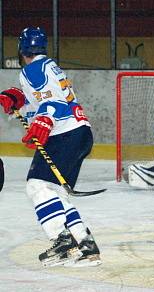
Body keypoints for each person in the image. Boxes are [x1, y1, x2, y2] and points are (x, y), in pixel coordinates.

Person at [0, 27, 101, 267]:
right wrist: (19, 100)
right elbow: (43, 100)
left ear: (22, 49)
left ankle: (62, 240)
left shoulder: (32, 69)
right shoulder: (49, 66)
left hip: (64, 134)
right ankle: (84, 245)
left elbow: (53, 102)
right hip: (79, 133)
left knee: (37, 186)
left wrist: (45, 120)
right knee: (55, 193)